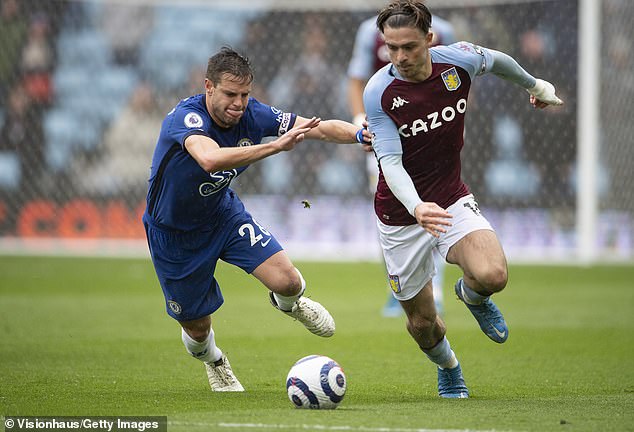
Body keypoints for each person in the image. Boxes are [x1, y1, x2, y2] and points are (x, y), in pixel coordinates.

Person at [362, 1, 563, 398]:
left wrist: (535, 86)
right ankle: (449, 367)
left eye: (409, 47)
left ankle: (471, 296)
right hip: (402, 214)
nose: (399, 57)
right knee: (423, 325)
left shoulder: (458, 62)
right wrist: (416, 207)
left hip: (451, 197)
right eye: (391, 48)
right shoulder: (379, 92)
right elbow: (389, 161)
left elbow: (499, 60)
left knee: (493, 275)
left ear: (429, 40)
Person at [143, 47, 370, 392]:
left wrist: (359, 135)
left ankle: (289, 304)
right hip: (174, 235)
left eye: (245, 95)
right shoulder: (186, 118)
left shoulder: (255, 115)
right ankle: (214, 360)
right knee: (198, 330)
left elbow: (315, 128)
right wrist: (275, 147)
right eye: (230, 94)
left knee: (289, 281)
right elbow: (210, 159)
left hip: (222, 215)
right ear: (208, 86)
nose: (239, 103)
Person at [347, 12, 455, 317]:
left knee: (436, 209)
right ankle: (397, 289)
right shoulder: (369, 31)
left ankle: (436, 292)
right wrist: (360, 124)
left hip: (431, 138)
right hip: (385, 140)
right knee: (391, 213)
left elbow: (458, 81)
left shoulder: (444, 30)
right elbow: (356, 80)